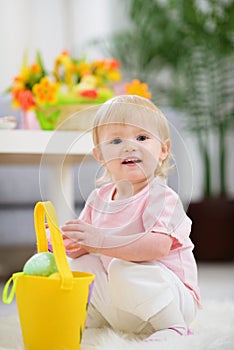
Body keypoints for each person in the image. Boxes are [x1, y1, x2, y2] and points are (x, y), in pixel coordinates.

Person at [61, 95, 200, 342]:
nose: (129, 146)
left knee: (122, 266)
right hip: (125, 305)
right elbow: (85, 248)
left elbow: (157, 247)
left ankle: (173, 327)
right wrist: (71, 244)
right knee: (80, 266)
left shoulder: (161, 197)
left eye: (142, 138)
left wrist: (102, 241)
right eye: (116, 140)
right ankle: (95, 316)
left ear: (163, 150)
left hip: (170, 299)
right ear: (100, 156)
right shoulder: (98, 199)